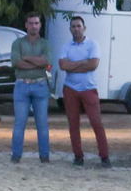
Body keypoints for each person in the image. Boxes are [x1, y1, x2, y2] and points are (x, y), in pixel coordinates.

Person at [58, 15, 110, 166]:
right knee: (73, 124)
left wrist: (72, 65)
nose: (76, 29)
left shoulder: (93, 44)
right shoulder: (66, 46)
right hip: (70, 89)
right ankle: (78, 156)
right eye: (73, 26)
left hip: (88, 88)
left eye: (78, 26)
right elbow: (63, 66)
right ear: (70, 29)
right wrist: (83, 63)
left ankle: (104, 156)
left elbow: (93, 65)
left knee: (96, 122)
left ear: (84, 28)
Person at [9, 12, 53, 163]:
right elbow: (16, 62)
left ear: (40, 25)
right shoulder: (18, 43)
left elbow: (46, 62)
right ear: (26, 25)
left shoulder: (45, 44)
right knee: (19, 123)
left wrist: (26, 58)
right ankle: (16, 156)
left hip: (41, 85)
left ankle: (44, 156)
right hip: (22, 85)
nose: (34, 26)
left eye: (36, 23)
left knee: (42, 123)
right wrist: (37, 61)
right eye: (31, 23)